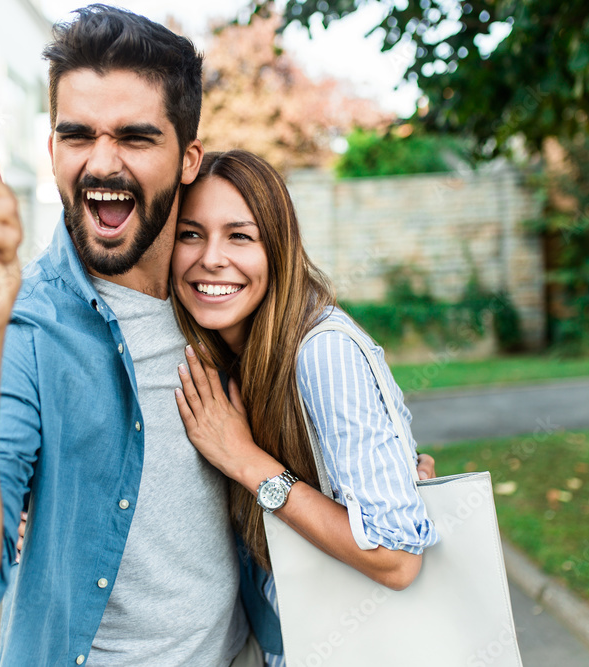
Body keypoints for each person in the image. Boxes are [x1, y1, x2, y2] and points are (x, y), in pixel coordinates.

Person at [0, 6, 261, 665]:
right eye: (77, 136)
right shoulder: (23, 329)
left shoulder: (225, 300)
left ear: (188, 159)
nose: (101, 163)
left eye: (135, 138)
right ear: (51, 151)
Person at [169, 150, 440, 665]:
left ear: (278, 248)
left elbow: (398, 558)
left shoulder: (321, 351)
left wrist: (246, 461)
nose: (212, 258)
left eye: (239, 236)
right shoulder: (228, 353)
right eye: (190, 234)